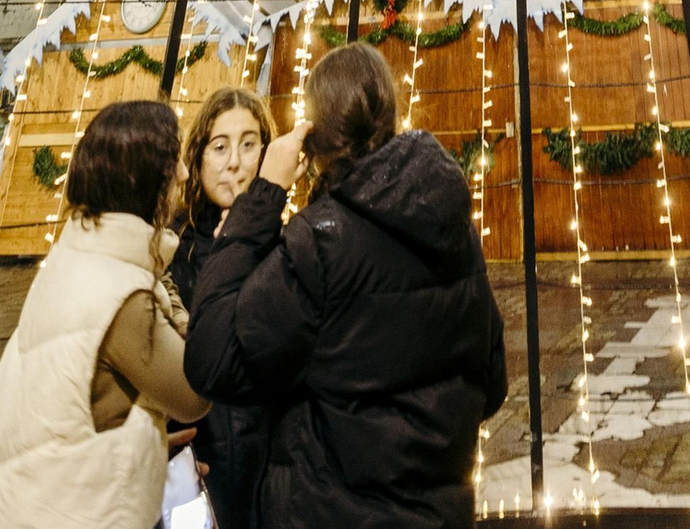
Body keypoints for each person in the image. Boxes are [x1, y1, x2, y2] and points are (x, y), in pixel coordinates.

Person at [185, 42, 506, 529]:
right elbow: (492, 382)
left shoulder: (319, 242)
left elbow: (211, 359)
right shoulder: (454, 229)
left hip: (329, 509)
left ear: (312, 139)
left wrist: (263, 198)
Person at [0, 97, 209, 529]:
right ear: (145, 180)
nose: (186, 174)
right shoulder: (122, 296)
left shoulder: (80, 252)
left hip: (23, 496)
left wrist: (141, 441)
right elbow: (195, 390)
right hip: (66, 510)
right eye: (175, 164)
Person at [169, 87, 271, 529]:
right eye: (220, 146)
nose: (234, 162)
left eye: (249, 144)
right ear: (198, 157)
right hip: (199, 457)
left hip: (269, 457)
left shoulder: (288, 244)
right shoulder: (173, 249)